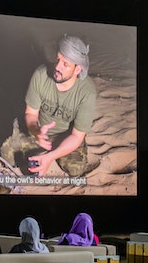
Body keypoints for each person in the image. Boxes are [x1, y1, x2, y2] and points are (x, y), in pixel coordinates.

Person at [24, 33, 97, 177]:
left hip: (65, 135)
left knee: (75, 169)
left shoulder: (87, 92)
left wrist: (50, 157)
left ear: (78, 69)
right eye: (58, 59)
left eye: (65, 64)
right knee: (8, 154)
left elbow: (77, 136)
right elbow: (30, 113)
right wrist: (36, 131)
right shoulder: (40, 75)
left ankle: (58, 151)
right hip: (40, 130)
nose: (57, 67)